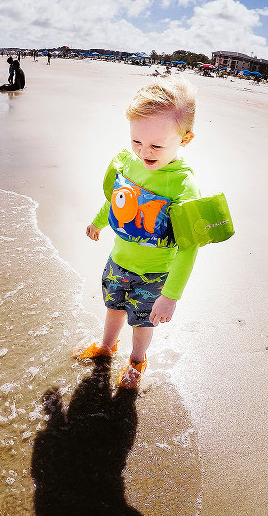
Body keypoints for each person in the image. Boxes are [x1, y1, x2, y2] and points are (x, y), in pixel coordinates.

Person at [74, 76, 200, 390]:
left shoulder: (184, 185)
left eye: (157, 145)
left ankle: (137, 360)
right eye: (137, 141)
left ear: (185, 139)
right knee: (113, 308)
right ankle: (106, 346)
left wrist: (170, 297)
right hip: (119, 262)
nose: (145, 151)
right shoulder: (130, 164)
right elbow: (119, 203)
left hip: (154, 274)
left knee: (142, 322)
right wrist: (98, 222)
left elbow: (188, 247)